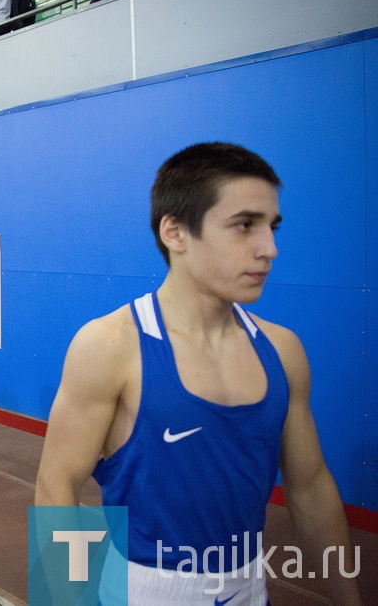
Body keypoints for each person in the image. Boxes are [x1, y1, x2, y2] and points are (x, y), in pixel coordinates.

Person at [34, 143, 362, 605]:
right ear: (176, 232)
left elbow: (309, 487)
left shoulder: (283, 350)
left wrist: (350, 600)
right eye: (245, 225)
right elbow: (57, 485)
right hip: (145, 591)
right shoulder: (110, 346)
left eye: (272, 227)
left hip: (249, 588)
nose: (269, 249)